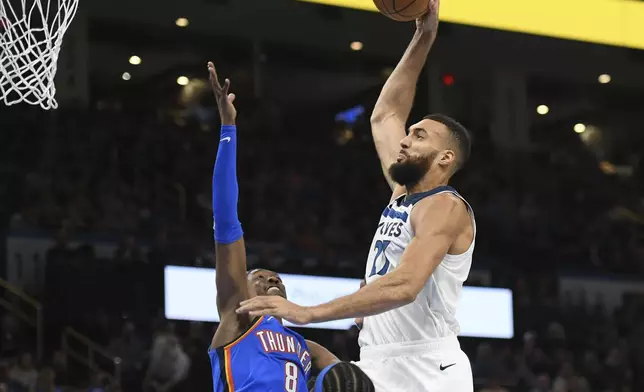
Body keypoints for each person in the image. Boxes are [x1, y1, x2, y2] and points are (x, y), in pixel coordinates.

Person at [236, 0, 476, 390]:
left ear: (445, 157)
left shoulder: (444, 207)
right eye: (410, 132)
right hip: (377, 358)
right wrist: (423, 35)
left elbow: (406, 284)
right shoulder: (404, 193)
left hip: (428, 369)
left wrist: (308, 312)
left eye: (419, 136)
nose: (405, 140)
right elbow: (384, 115)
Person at [206, 62, 374, 392]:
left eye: (276, 279)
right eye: (260, 277)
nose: (271, 280)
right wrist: (228, 127)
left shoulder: (306, 347)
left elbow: (353, 376)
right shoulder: (237, 319)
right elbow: (226, 219)